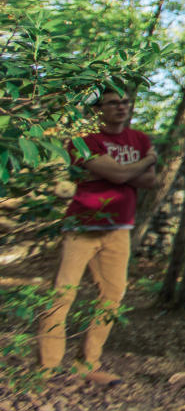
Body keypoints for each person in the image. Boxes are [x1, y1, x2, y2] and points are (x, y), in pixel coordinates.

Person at [37, 88, 157, 386]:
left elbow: (150, 181)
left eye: (125, 101)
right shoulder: (85, 142)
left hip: (120, 228)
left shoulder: (140, 139)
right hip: (82, 226)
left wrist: (117, 171)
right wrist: (142, 163)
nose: (120, 107)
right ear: (99, 109)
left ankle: (87, 364)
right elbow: (122, 177)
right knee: (62, 295)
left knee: (112, 297)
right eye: (113, 103)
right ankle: (47, 368)